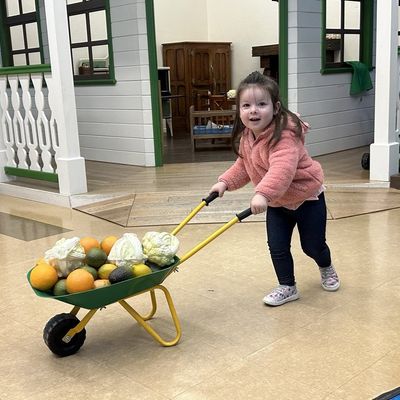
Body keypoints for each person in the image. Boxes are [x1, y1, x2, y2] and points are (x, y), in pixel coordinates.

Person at [210, 71, 340, 306]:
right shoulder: (247, 138)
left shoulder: (285, 136)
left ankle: (326, 266)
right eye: (246, 105)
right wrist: (225, 182)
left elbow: (282, 170)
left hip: (307, 199)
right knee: (277, 246)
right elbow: (244, 165)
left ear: (276, 107)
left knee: (313, 246)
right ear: (239, 111)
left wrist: (262, 193)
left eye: (261, 104)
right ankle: (287, 286)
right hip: (278, 202)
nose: (253, 111)